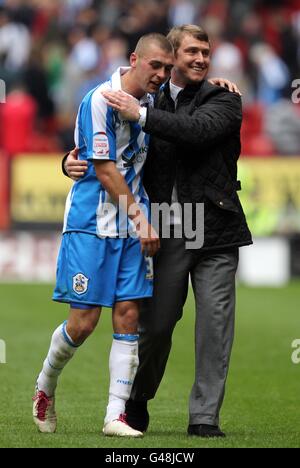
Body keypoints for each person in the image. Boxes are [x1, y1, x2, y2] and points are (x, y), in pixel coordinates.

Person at [65, 24, 253, 438]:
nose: (201, 59)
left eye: (206, 51)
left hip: (216, 226)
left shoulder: (224, 98)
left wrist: (143, 115)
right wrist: (70, 161)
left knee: (215, 327)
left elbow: (196, 132)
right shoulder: (147, 96)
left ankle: (204, 417)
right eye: (191, 52)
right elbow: (108, 148)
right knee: (158, 325)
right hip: (166, 225)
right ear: (171, 58)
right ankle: (137, 400)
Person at [32, 33, 174, 438]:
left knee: (129, 315)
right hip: (93, 223)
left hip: (132, 224)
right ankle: (45, 385)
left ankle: (116, 416)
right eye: (155, 66)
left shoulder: (150, 103)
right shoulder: (100, 99)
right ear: (134, 59)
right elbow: (105, 168)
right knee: (83, 322)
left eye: (167, 69)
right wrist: (143, 220)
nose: (162, 75)